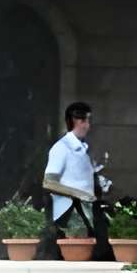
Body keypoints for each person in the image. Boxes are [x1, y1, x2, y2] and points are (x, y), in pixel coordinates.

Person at [42, 102, 110, 247]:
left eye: (88, 121)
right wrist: (80, 194)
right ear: (71, 121)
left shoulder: (84, 149)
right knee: (77, 253)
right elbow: (48, 182)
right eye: (82, 120)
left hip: (86, 211)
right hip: (69, 212)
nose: (87, 126)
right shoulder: (61, 148)